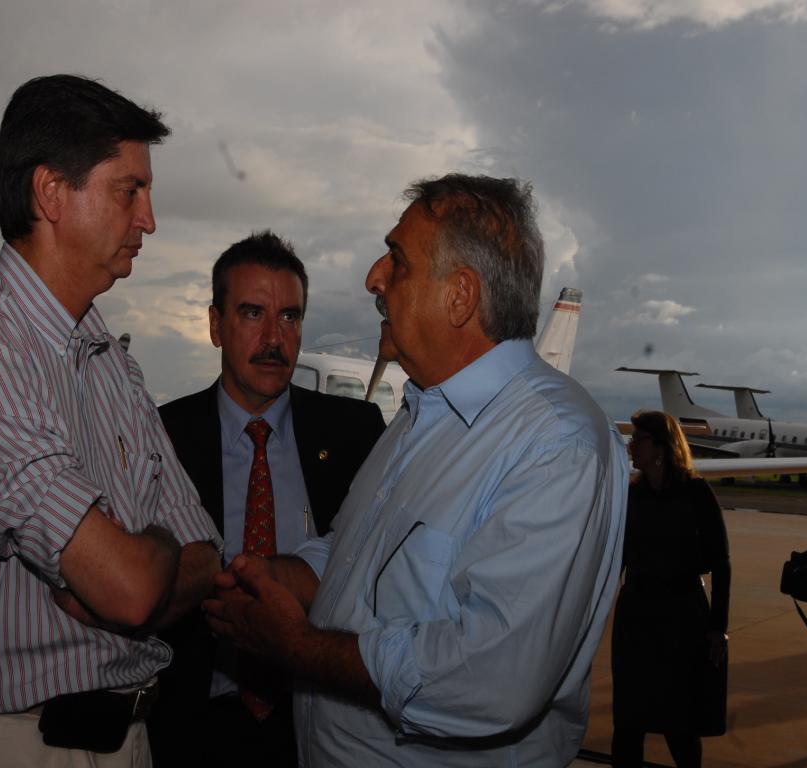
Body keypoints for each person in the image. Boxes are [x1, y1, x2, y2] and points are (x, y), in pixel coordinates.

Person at [205, 173, 629, 766]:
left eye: (397, 261)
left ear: (459, 296)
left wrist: (296, 646)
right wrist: (280, 574)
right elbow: (356, 558)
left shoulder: (555, 444)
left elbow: (488, 681)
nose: (373, 277)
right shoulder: (418, 416)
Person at [0, 74, 222, 767]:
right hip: (6, 745)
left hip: (127, 741)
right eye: (131, 189)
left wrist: (140, 566)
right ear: (51, 193)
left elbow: (205, 559)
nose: (149, 219)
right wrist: (147, 566)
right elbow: (131, 589)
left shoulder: (112, 368)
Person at [147, 231, 386, 766]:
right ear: (215, 325)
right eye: (253, 314)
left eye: (291, 317)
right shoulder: (163, 437)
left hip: (322, 720)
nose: (275, 338)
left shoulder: (355, 432)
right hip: (196, 727)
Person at [611, 410, 731, 768]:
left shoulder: (696, 494)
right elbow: (617, 557)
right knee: (628, 720)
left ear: (661, 447)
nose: (632, 445)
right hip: (636, 616)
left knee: (679, 721)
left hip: (681, 619)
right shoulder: (632, 496)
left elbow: (721, 563)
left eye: (640, 439)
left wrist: (716, 627)